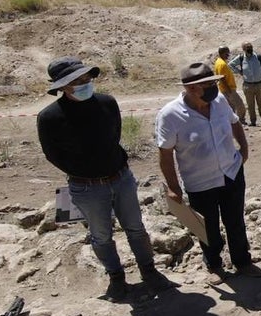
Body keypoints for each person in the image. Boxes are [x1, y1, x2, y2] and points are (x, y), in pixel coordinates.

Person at [37, 56, 171, 302]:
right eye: (77, 81)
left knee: (136, 228)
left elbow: (115, 135)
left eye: (86, 77)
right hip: (86, 187)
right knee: (101, 236)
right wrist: (86, 171)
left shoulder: (107, 103)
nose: (85, 83)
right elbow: (52, 154)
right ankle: (116, 278)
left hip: (121, 178)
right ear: (62, 87)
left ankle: (149, 271)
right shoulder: (50, 118)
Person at [156, 62, 260, 284]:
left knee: (235, 221)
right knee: (207, 227)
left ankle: (243, 262)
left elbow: (235, 123)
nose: (214, 87)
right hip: (200, 182)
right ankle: (213, 264)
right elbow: (165, 155)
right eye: (208, 84)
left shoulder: (220, 101)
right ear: (192, 88)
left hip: (231, 173)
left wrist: (244, 149)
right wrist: (174, 188)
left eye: (213, 82)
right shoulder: (170, 115)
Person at [231, 41, 261, 127]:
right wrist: (239, 71)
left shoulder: (258, 57)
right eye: (247, 48)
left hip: (260, 85)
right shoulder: (241, 58)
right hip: (248, 85)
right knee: (250, 105)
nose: (250, 49)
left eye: (251, 47)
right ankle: (253, 122)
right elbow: (230, 65)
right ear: (244, 49)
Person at [214, 46, 247, 126]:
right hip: (228, 89)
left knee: (231, 107)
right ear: (221, 53)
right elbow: (222, 79)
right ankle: (240, 121)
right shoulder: (222, 64)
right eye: (226, 53)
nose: (228, 55)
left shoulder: (218, 61)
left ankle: (232, 123)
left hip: (225, 89)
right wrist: (229, 90)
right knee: (240, 106)